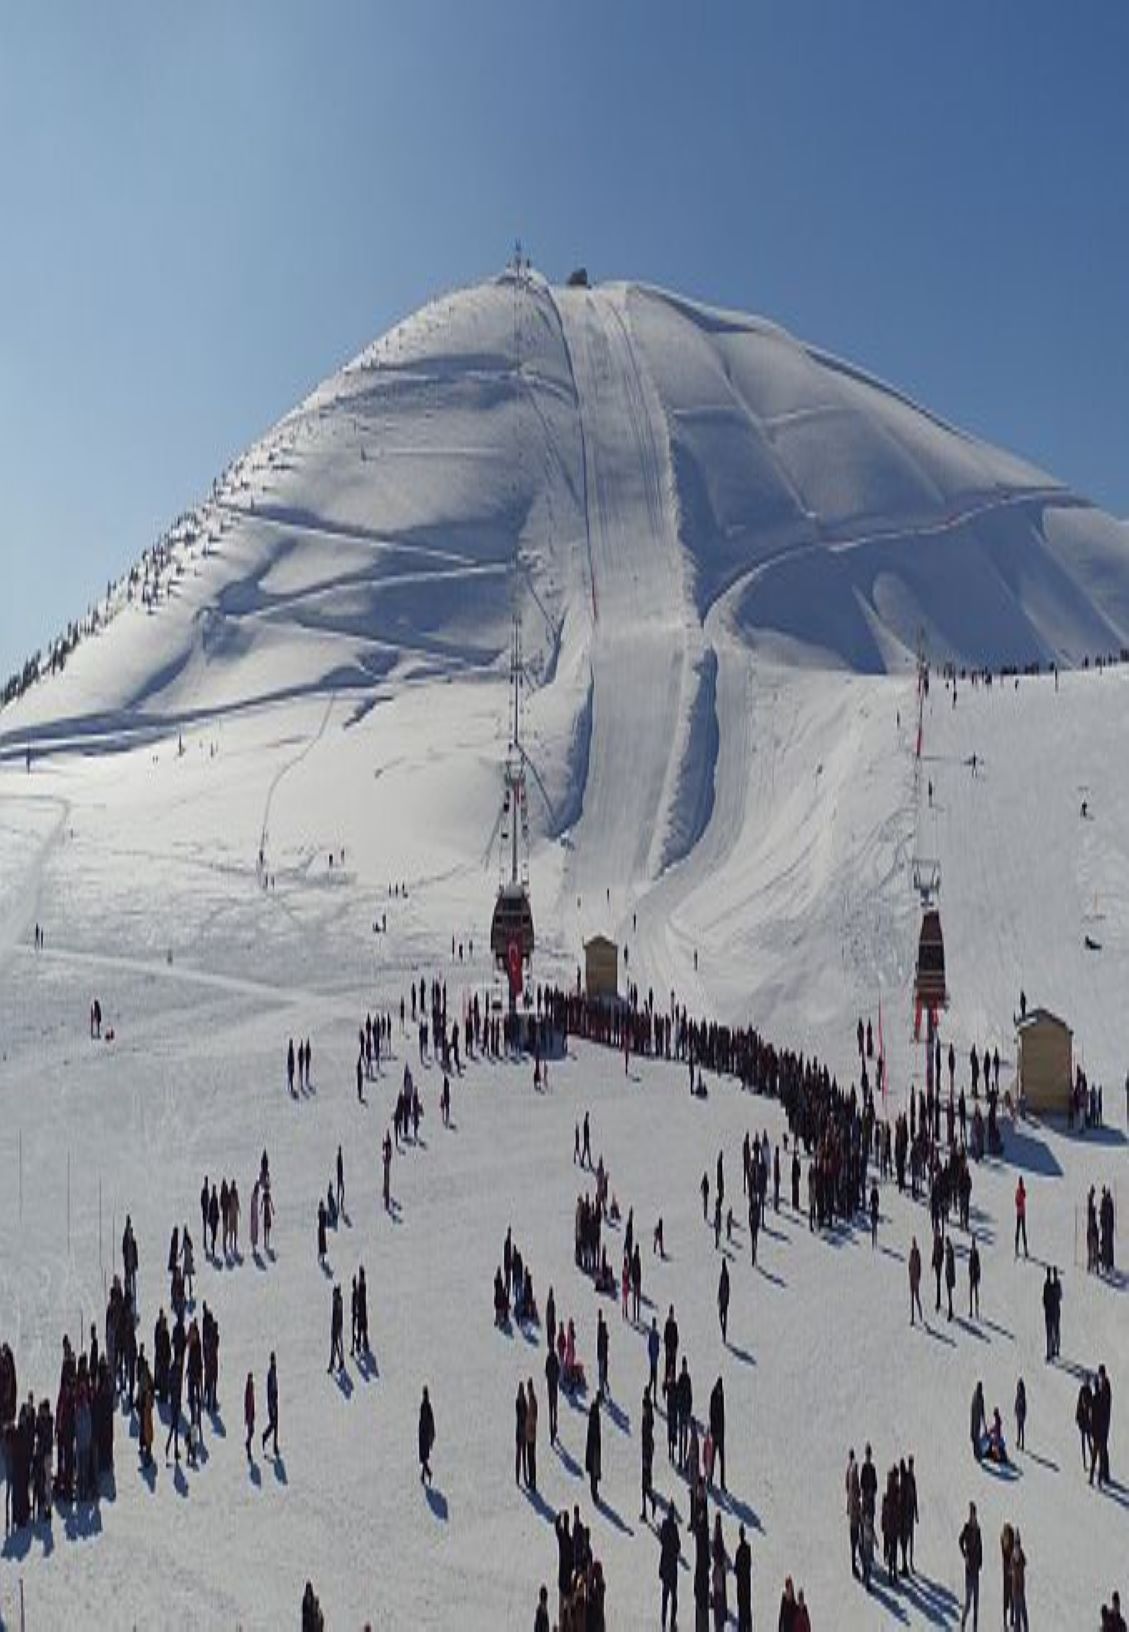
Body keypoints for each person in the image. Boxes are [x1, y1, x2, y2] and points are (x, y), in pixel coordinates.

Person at [959, 1501, 982, 1630]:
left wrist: (980, 1562)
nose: (973, 1517)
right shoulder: (967, 1528)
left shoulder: (978, 1530)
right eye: (972, 1514)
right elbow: (960, 1541)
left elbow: (981, 1546)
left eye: (975, 1514)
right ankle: (963, 1622)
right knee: (968, 1602)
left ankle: (975, 1628)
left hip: (975, 1570)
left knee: (976, 1604)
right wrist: (964, 1555)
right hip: (969, 1570)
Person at [660, 1500, 681, 1630]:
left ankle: (663, 1618)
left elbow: (662, 1540)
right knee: (673, 1596)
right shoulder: (674, 1527)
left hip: (664, 1564)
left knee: (665, 1595)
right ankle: (672, 1621)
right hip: (672, 1566)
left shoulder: (664, 1525)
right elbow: (678, 1546)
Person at [735, 1522, 752, 1632]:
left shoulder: (739, 1551)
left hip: (741, 1585)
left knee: (742, 1609)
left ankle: (743, 1628)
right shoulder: (747, 1549)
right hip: (746, 1583)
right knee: (746, 1608)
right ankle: (748, 1628)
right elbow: (749, 1565)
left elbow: (736, 1569)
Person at [262, 1352, 279, 1457]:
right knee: (273, 1424)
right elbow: (269, 1391)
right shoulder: (270, 1374)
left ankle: (275, 1445)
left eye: (274, 1359)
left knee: (276, 1425)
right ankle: (265, 1436)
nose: (273, 1361)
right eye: (272, 1360)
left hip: (275, 1400)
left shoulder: (274, 1370)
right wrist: (271, 1405)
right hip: (271, 1402)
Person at [585, 1395, 602, 1502]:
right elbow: (594, 1431)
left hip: (593, 1445)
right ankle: (594, 1492)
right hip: (594, 1446)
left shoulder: (594, 1412)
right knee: (594, 1471)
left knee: (593, 1470)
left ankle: (594, 1491)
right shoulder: (595, 1414)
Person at [418, 1385, 435, 1485]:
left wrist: (429, 1434)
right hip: (425, 1433)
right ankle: (423, 1476)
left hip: (424, 1434)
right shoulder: (427, 1405)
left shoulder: (425, 1406)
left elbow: (427, 1421)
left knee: (423, 1456)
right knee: (424, 1456)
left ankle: (428, 1473)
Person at [909, 1237, 923, 1325]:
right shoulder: (911, 1252)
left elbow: (919, 1267)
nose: (913, 1245)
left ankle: (920, 1313)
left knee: (917, 1298)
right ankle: (912, 1318)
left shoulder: (917, 1253)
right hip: (911, 1278)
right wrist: (909, 1273)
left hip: (916, 1279)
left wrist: (918, 1278)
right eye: (913, 1243)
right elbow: (910, 1264)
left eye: (914, 1243)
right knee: (912, 1299)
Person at [1015, 1177, 1028, 1258]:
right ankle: (1017, 1248)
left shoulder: (1022, 1191)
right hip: (1019, 1213)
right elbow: (1016, 1201)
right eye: (1020, 1183)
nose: (1021, 1184)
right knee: (1018, 1231)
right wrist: (1018, 1202)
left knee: (1023, 1231)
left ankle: (1025, 1249)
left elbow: (1024, 1196)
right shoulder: (1018, 1191)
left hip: (1022, 1213)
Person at [244, 1371, 255, 1460]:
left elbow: (252, 1401)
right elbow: (246, 1403)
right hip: (249, 1414)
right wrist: (247, 1416)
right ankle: (249, 1450)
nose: (251, 1379)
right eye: (250, 1378)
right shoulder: (248, 1389)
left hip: (251, 1413)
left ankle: (248, 1443)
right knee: (250, 1431)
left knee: (252, 1431)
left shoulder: (251, 1386)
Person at [1015, 1377, 1027, 1451]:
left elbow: (1024, 1406)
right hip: (1019, 1414)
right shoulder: (1019, 1395)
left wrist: (1023, 1415)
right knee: (1019, 1429)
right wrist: (1015, 1410)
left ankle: (1021, 1444)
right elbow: (1016, 1403)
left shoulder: (1022, 1396)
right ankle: (1019, 1442)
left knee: (1021, 1429)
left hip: (1021, 1415)